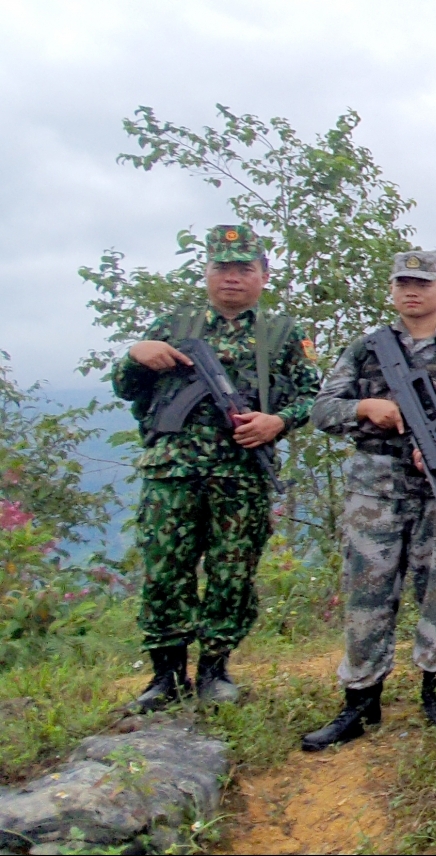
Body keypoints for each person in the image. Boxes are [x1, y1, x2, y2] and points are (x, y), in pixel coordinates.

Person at [302, 251, 436, 750]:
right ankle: (360, 700)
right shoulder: (366, 350)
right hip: (375, 487)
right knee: (367, 590)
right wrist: (365, 408)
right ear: (392, 290)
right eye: (404, 283)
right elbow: (323, 410)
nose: (413, 291)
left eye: (424, 282)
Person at [114, 225, 321, 712]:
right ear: (206, 271)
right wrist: (134, 355)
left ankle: (214, 669)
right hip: (172, 470)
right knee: (166, 571)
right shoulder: (172, 324)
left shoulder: (285, 335)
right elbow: (126, 388)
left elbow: (315, 397)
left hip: (241, 472)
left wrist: (277, 422)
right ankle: (165, 675)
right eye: (222, 268)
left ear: (264, 276)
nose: (232, 278)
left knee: (233, 572)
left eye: (244, 269)